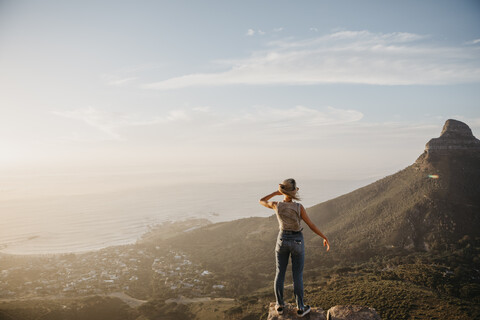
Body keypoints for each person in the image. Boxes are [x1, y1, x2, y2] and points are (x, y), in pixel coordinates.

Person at [259, 178, 330, 317]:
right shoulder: (299, 207)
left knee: (280, 273)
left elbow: (261, 200)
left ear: (282, 190)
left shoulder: (276, 205)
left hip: (282, 239)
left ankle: (279, 305)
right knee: (297, 276)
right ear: (294, 191)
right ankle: (301, 308)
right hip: (297, 240)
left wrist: (275, 193)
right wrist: (324, 237)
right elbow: (312, 225)